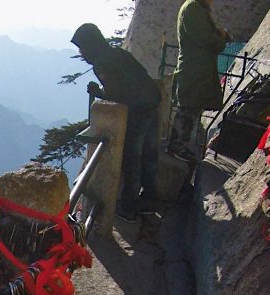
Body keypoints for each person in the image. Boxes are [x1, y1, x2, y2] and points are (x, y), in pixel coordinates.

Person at [71, 23, 161, 223]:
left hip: (138, 112)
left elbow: (116, 95)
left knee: (132, 159)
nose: (81, 54)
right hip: (153, 103)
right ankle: (149, 203)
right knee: (149, 157)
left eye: (82, 48)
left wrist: (97, 92)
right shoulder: (118, 53)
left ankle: (128, 208)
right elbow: (140, 75)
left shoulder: (102, 63)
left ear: (90, 45)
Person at [167, 0, 230, 162]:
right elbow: (206, 39)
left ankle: (180, 147)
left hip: (198, 71)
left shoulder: (197, 9)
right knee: (187, 110)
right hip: (192, 71)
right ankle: (177, 147)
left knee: (192, 111)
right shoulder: (192, 8)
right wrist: (220, 37)